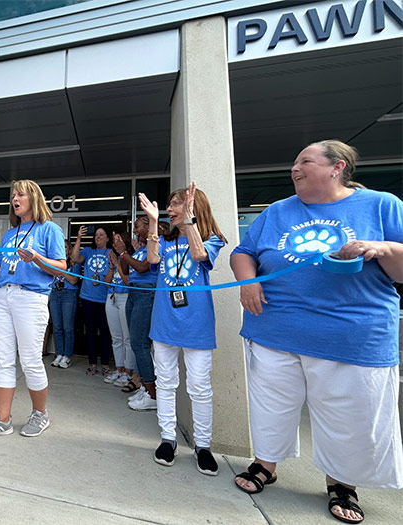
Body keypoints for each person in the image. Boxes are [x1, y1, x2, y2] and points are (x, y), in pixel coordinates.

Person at [230, 140, 403, 523]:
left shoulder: (381, 204)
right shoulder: (277, 211)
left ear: (337, 167)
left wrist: (382, 248)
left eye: (305, 161)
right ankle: (265, 465)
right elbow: (244, 252)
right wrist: (248, 281)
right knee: (271, 405)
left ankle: (342, 483)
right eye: (294, 163)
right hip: (275, 330)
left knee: (347, 414)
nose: (295, 168)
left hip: (350, 335)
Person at [0, 179, 65, 439]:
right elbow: (0, 271)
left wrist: (38, 258)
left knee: (30, 361)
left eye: (20, 195)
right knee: (3, 361)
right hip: (3, 296)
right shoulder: (10, 234)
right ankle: (2, 420)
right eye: (13, 196)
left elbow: (61, 267)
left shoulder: (48, 229)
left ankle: (40, 414)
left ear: (34, 198)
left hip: (31, 298)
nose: (14, 199)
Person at [138, 181, 226, 476]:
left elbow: (200, 255)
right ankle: (168, 438)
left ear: (192, 207)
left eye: (176, 203)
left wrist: (188, 221)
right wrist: (152, 221)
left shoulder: (213, 239)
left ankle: (203, 445)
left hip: (196, 326)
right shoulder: (165, 241)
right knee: (165, 383)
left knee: (199, 387)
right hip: (164, 324)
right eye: (170, 204)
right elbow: (152, 258)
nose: (169, 209)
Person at [112, 218, 168, 406]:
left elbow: (144, 268)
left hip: (146, 294)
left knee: (140, 343)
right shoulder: (142, 248)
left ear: (148, 227)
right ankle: (145, 386)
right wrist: (125, 254)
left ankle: (153, 394)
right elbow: (127, 272)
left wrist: (124, 253)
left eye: (137, 226)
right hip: (134, 293)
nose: (134, 230)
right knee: (137, 343)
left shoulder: (155, 245)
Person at [71, 226, 112, 375]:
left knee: (106, 333)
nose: (98, 237)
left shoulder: (111, 253)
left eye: (102, 234)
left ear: (108, 238)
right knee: (90, 332)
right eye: (96, 235)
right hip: (88, 298)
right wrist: (79, 238)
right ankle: (92, 364)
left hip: (105, 299)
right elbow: (75, 258)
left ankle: (106, 364)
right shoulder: (88, 251)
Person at [103, 231, 133, 387]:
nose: (115, 243)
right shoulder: (114, 258)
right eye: (113, 241)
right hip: (112, 296)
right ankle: (119, 369)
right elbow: (107, 282)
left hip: (126, 297)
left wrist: (117, 264)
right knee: (116, 337)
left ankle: (128, 372)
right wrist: (111, 266)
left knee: (127, 337)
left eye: (118, 240)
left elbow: (127, 281)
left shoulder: (128, 257)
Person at [49, 242, 80, 369]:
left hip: (69, 294)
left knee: (67, 327)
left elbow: (73, 280)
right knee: (57, 327)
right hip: (55, 293)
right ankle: (59, 354)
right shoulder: (54, 262)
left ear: (69, 250)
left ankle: (67, 356)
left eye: (65, 247)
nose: (63, 249)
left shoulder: (74, 263)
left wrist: (61, 271)